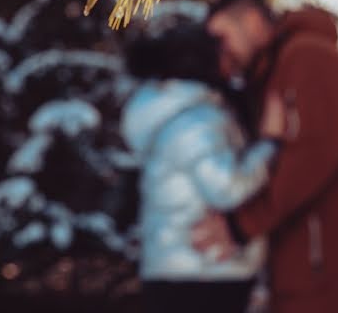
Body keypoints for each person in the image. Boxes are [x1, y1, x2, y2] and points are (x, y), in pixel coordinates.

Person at [192, 0, 338, 313]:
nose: (221, 54)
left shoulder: (306, 56)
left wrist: (242, 224)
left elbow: (313, 158)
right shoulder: (275, 71)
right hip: (313, 276)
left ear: (252, 22)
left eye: (222, 38)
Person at [121, 22, 285, 313]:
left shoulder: (177, 112)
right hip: (204, 272)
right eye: (222, 55)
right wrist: (269, 144)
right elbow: (226, 187)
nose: (230, 64)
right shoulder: (195, 121)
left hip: (183, 270)